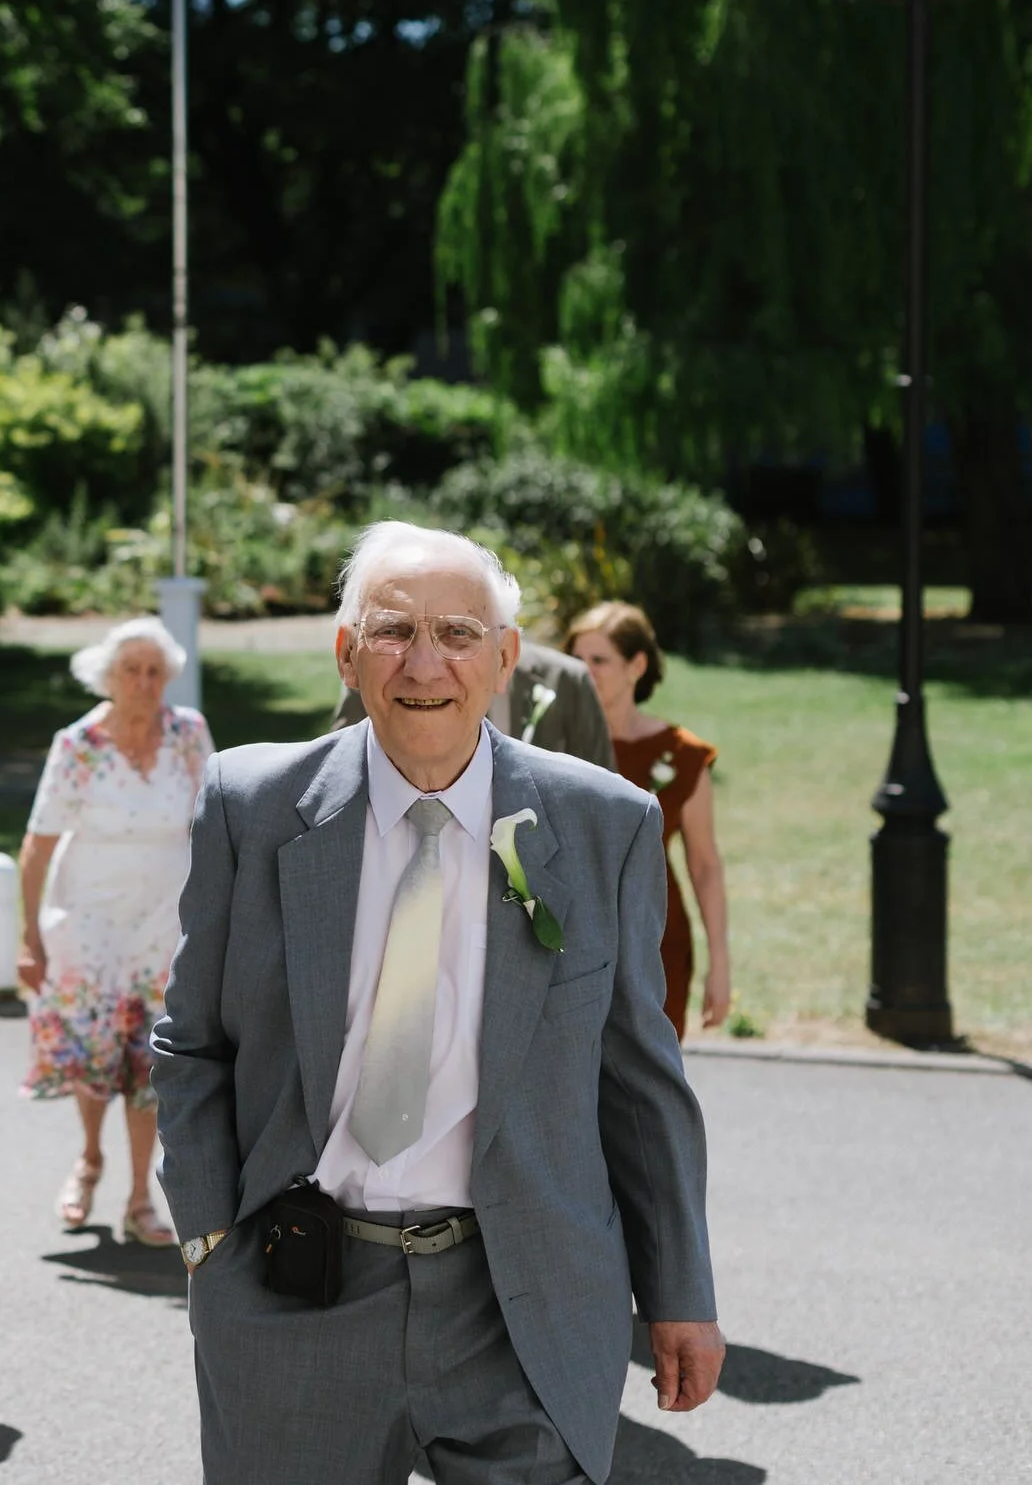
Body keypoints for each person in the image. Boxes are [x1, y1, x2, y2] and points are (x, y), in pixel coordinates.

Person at [154, 519, 721, 1485]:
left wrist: (679, 1290)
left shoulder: (602, 825)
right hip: (298, 1286)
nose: (426, 663)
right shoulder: (250, 804)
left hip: (525, 1299)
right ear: (345, 652)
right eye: (391, 631)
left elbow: (638, 1078)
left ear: (506, 660)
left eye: (459, 634)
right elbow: (192, 1043)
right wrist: (212, 1239)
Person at [15, 616, 213, 1246]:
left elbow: (215, 825)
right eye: (132, 669)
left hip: (163, 918)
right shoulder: (78, 744)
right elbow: (37, 845)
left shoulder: (189, 735)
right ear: (109, 676)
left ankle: (136, 1198)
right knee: (96, 1053)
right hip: (89, 918)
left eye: (156, 670)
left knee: (149, 1061)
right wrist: (28, 937)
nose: (145, 682)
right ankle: (89, 1157)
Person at [565, 602, 730, 1038]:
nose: (585, 672)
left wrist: (721, 965)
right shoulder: (550, 749)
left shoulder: (683, 755)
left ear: (636, 666)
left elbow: (705, 865)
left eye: (599, 660)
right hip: (567, 937)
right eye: (576, 661)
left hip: (657, 937)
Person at [333, 631, 614, 771]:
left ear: (506, 651)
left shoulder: (568, 678)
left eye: (459, 630)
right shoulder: (378, 674)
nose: (425, 669)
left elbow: (602, 781)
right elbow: (343, 763)